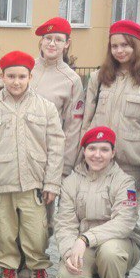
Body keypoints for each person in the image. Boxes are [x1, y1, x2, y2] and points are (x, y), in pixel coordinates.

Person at [0, 51, 64, 278]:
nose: (16, 82)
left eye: (22, 76)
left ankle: (37, 275)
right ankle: (9, 272)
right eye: (11, 76)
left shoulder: (45, 107)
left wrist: (52, 182)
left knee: (36, 233)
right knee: (3, 231)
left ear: (30, 77)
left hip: (34, 183)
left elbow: (56, 147)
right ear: (2, 76)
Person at [55, 126, 140, 278]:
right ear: (84, 151)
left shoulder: (125, 182)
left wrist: (85, 239)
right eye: (92, 148)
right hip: (86, 246)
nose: (97, 155)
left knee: (110, 253)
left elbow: (124, 222)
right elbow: (65, 224)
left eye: (104, 149)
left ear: (113, 153)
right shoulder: (70, 182)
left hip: (121, 244)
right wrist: (68, 252)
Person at [80, 20, 140, 192]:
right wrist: (82, 161)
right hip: (98, 164)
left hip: (132, 171)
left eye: (125, 45)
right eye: (114, 46)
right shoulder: (99, 78)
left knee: (128, 210)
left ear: (136, 46)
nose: (119, 51)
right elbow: (87, 122)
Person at [32, 17, 85, 175]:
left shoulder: (72, 80)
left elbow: (72, 128)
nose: (52, 43)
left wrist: (64, 168)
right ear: (41, 41)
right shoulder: (26, 68)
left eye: (58, 40)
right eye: (48, 38)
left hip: (48, 157)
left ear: (67, 43)